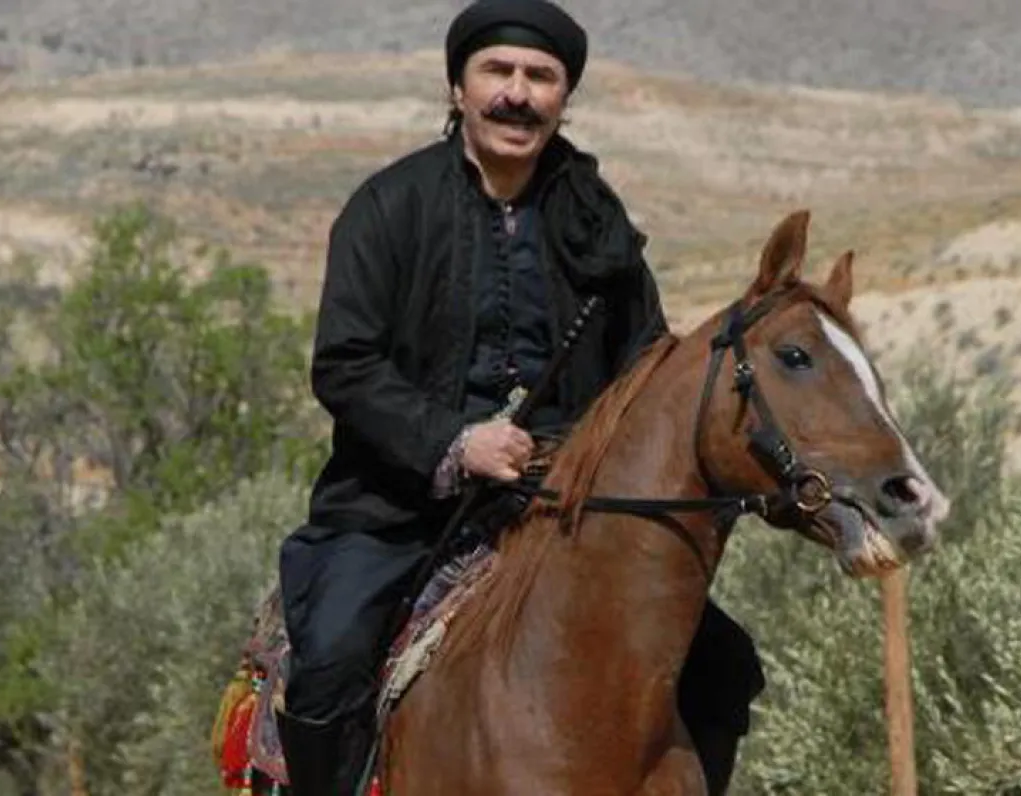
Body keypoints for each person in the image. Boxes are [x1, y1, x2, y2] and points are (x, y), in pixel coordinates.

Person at [275, 1, 766, 794]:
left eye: (541, 77)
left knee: (723, 666)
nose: (517, 93)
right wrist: (455, 442)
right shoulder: (390, 205)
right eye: (497, 71)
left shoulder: (597, 219)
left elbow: (646, 363)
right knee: (330, 662)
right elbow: (345, 365)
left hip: (559, 513)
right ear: (458, 88)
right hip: (396, 508)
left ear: (564, 98)